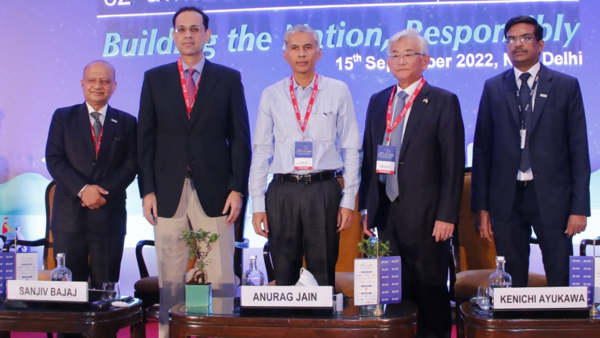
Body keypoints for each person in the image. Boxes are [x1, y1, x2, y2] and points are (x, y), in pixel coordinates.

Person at [137, 6, 251, 338]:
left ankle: (223, 332)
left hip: (216, 191)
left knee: (220, 273)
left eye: (195, 28)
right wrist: (147, 191)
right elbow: (145, 138)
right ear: (174, 35)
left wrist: (237, 188)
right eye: (182, 29)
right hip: (167, 191)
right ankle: (168, 334)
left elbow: (241, 139)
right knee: (171, 276)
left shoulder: (228, 78)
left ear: (207, 34)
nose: (188, 34)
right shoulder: (154, 79)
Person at [359, 28, 464, 338]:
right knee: (396, 292)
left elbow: (453, 164)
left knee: (431, 289)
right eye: (395, 55)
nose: (400, 60)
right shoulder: (379, 101)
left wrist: (447, 215)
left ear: (425, 61)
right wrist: (368, 207)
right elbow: (369, 157)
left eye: (408, 54)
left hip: (430, 215)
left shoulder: (443, 100)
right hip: (387, 212)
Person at [471, 15, 590, 287]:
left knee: (561, 275)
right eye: (511, 39)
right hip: (506, 198)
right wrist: (481, 207)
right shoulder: (493, 87)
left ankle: (561, 330)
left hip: (552, 197)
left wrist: (579, 207)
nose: (518, 45)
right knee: (512, 280)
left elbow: (578, 149)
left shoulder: (565, 85)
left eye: (525, 38)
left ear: (540, 44)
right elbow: (483, 150)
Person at [249, 24, 361, 287]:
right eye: (295, 48)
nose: (302, 54)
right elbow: (262, 150)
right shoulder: (271, 94)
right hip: (282, 191)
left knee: (323, 273)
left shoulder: (338, 90)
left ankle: (322, 328)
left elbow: (351, 148)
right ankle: (288, 328)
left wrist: (348, 200)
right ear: (285, 54)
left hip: (323, 189)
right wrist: (257, 204)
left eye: (308, 47)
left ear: (318, 53)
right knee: (284, 274)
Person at [45, 60, 137, 289]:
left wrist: (100, 192)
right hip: (69, 218)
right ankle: (69, 328)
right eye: (92, 80)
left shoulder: (127, 122)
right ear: (82, 84)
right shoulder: (63, 117)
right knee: (68, 291)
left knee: (104, 292)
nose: (98, 85)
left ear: (114, 86)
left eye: (105, 81)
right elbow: (55, 159)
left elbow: (132, 164)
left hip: (109, 216)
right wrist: (83, 190)